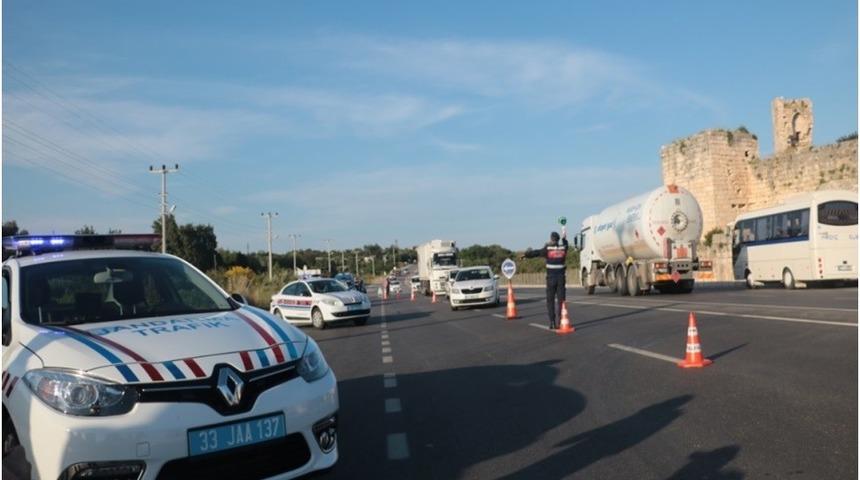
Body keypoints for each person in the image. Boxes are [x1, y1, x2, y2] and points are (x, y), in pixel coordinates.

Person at [521, 230, 569, 329]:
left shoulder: (547, 249)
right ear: (558, 239)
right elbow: (566, 244)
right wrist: (564, 238)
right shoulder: (563, 249)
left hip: (551, 278)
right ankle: (561, 321)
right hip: (561, 279)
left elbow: (536, 253)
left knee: (550, 300)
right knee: (561, 301)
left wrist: (526, 255)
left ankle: (552, 322)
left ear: (551, 239)